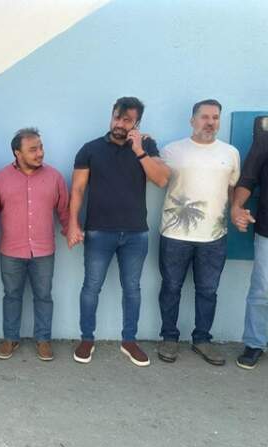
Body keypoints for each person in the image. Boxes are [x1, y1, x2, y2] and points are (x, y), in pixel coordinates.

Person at [68, 97, 170, 367]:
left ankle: (129, 340)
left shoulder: (146, 146)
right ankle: (86, 339)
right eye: (117, 117)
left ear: (136, 123)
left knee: (132, 289)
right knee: (91, 287)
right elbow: (77, 189)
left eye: (127, 120)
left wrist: (139, 150)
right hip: (99, 232)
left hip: (135, 233)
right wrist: (73, 223)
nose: (120, 124)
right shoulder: (90, 149)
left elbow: (161, 179)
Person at [157, 100, 239, 365]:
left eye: (215, 117)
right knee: (171, 287)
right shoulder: (172, 150)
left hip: (214, 237)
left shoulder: (230, 153)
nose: (210, 122)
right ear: (192, 120)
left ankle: (202, 340)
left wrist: (236, 210)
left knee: (208, 290)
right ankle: (169, 337)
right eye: (204, 117)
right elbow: (157, 177)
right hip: (174, 235)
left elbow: (232, 190)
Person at [0, 127, 70, 361]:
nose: (40, 153)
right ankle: (10, 338)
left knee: (44, 295)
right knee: (11, 295)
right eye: (33, 149)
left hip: (44, 250)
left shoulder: (54, 177)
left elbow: (64, 210)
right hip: (11, 250)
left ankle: (43, 340)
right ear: (18, 153)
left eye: (41, 147)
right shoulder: (1, 179)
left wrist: (71, 231)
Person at [231, 115, 268, 369]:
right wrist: (236, 207)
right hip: (267, 229)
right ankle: (255, 343)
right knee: (262, 290)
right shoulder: (265, 133)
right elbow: (248, 177)